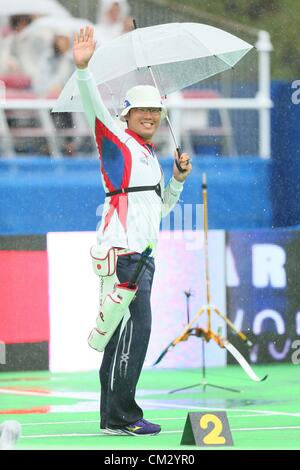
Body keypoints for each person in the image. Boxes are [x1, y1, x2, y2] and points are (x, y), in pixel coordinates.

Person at [73, 26, 192, 436]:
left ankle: (112, 418)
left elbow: (161, 209)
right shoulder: (117, 141)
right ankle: (123, 417)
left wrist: (176, 179)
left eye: (155, 111)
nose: (150, 115)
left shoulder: (148, 155)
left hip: (141, 255)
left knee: (122, 333)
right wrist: (84, 70)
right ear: (125, 114)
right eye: (141, 110)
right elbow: (93, 109)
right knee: (133, 333)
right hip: (122, 254)